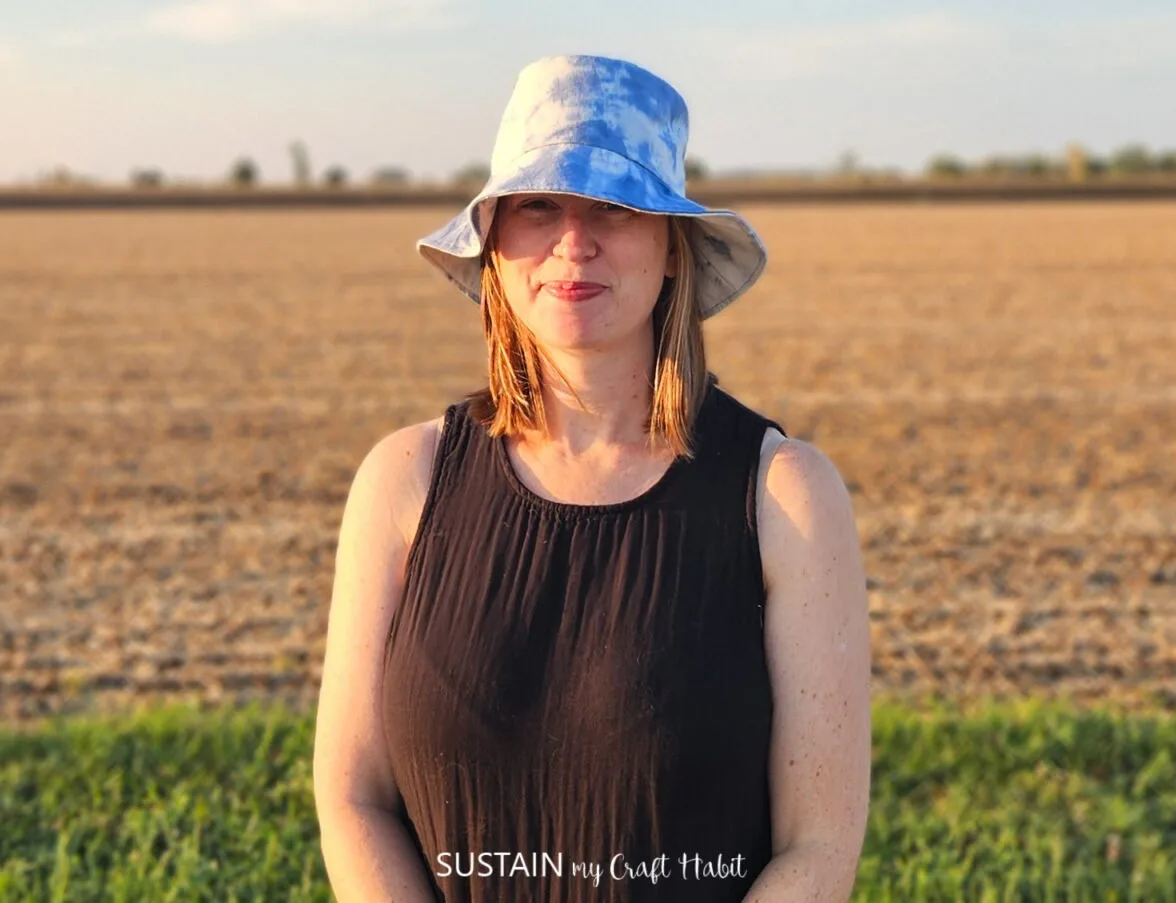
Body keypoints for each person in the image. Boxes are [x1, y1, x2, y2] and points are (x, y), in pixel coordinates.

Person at [312, 55, 871, 903]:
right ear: (494, 241)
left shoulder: (785, 496)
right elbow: (354, 799)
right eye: (539, 205)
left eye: (615, 206)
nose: (574, 242)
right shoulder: (402, 482)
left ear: (674, 247)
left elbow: (818, 845)